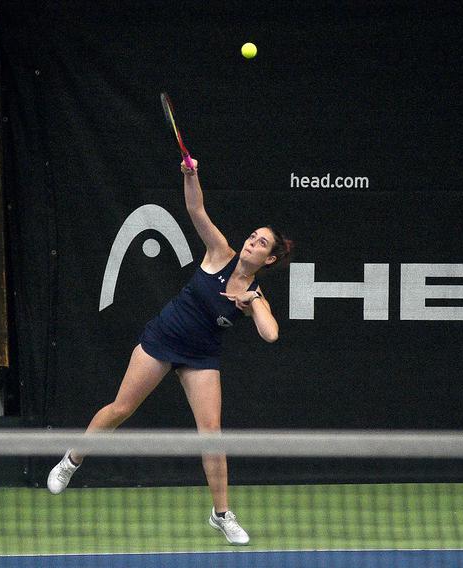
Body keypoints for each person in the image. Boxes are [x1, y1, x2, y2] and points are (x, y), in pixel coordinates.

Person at [47, 158, 293, 545]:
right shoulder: (219, 251)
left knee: (212, 434)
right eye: (253, 236)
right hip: (163, 337)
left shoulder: (254, 293)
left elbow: (271, 335)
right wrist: (190, 175)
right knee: (121, 409)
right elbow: (196, 209)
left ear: (270, 259)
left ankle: (222, 514)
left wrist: (254, 300)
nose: (252, 242)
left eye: (262, 243)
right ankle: (72, 459)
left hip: (201, 356)